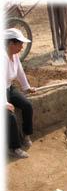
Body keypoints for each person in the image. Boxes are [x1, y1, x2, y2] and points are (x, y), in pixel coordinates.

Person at [5, 28, 36, 158]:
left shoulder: (15, 55)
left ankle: (26, 135)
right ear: (11, 44)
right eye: (20, 44)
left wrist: (26, 87)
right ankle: (14, 148)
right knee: (9, 116)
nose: (22, 47)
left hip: (8, 87)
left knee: (27, 105)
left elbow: (20, 72)